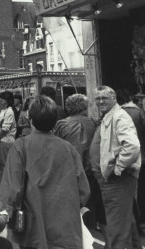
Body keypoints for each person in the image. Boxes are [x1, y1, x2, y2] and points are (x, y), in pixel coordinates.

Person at [0, 96, 90, 249]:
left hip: (34, 226)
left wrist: (4, 214)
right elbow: (84, 190)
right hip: (66, 226)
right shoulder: (68, 148)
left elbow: (11, 189)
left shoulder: (21, 146)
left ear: (31, 120)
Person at [93, 85, 141, 248]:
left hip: (118, 180)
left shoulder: (119, 116)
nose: (100, 101)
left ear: (113, 98)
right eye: (97, 99)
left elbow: (132, 146)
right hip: (115, 180)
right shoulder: (112, 115)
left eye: (104, 98)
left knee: (117, 226)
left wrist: (118, 168)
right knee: (125, 220)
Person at [53, 94, 100, 229]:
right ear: (85, 107)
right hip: (91, 170)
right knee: (90, 203)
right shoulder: (94, 122)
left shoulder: (61, 125)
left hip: (68, 171)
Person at [117, 88, 145, 227]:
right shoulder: (139, 112)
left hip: (121, 159)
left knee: (125, 190)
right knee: (141, 189)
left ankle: (131, 221)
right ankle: (141, 221)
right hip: (141, 157)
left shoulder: (115, 114)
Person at [0, 91, 16, 187]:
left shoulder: (10, 112)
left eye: (2, 99)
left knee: (3, 167)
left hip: (6, 141)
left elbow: (5, 129)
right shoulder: (3, 111)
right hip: (2, 141)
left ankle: (4, 189)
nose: (0, 100)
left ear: (6, 101)